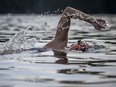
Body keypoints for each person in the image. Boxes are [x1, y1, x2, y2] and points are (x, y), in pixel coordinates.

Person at [43, 6, 108, 52]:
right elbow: (68, 12)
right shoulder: (60, 43)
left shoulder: (62, 53)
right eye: (81, 44)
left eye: (84, 50)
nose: (81, 48)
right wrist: (93, 21)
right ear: (73, 44)